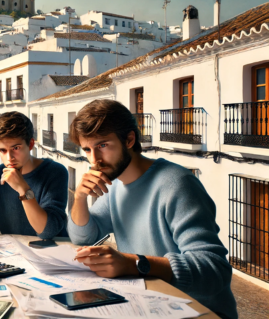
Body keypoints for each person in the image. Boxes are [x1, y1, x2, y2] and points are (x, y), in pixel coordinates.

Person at [67, 99, 237, 319]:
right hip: (149, 307)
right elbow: (83, 236)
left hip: (199, 311)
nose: (94, 160)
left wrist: (134, 263)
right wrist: (80, 197)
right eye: (87, 150)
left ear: (129, 139)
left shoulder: (176, 184)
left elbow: (214, 271)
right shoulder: (116, 185)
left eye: (102, 145)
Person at [0, 111, 69, 247]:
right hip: (16, 253)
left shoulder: (55, 172)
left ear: (30, 144)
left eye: (16, 148)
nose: (9, 158)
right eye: (3, 150)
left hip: (55, 253)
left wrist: (23, 189)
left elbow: (47, 231)